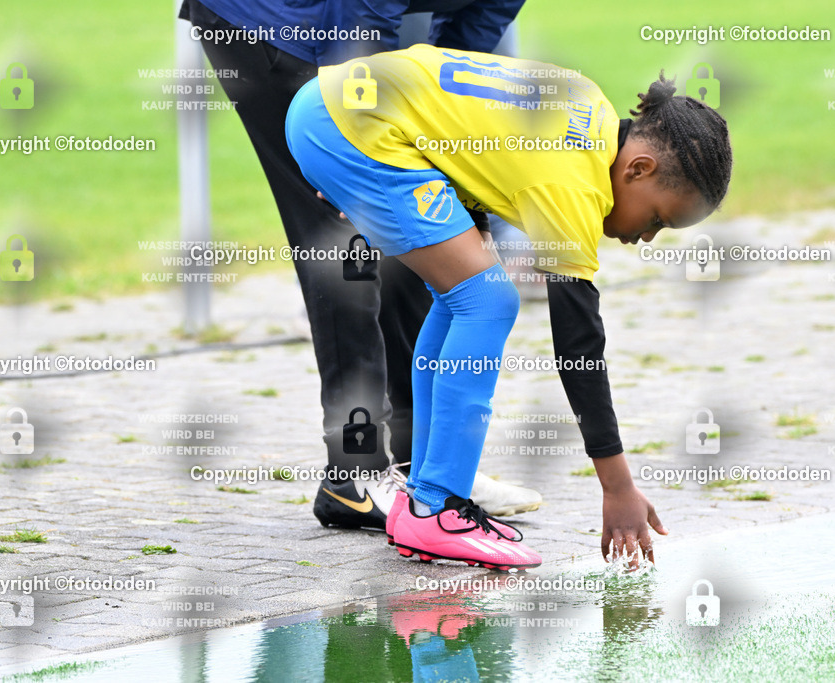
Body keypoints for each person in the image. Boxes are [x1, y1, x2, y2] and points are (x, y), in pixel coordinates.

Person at [287, 45, 732, 569]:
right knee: (487, 298)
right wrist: (618, 487)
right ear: (638, 167)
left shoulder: (590, 107)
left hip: (340, 108)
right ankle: (435, 507)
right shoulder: (572, 183)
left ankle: (425, 497)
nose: (647, 237)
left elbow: (469, 129)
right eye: (658, 218)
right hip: (355, 126)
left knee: (460, 296)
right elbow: (579, 347)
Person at [179, 0, 543, 531]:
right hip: (272, 23)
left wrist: (432, 121)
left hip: (345, 26)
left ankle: (424, 467)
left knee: (420, 234)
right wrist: (350, 121)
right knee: (344, 246)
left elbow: (469, 32)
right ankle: (353, 474)